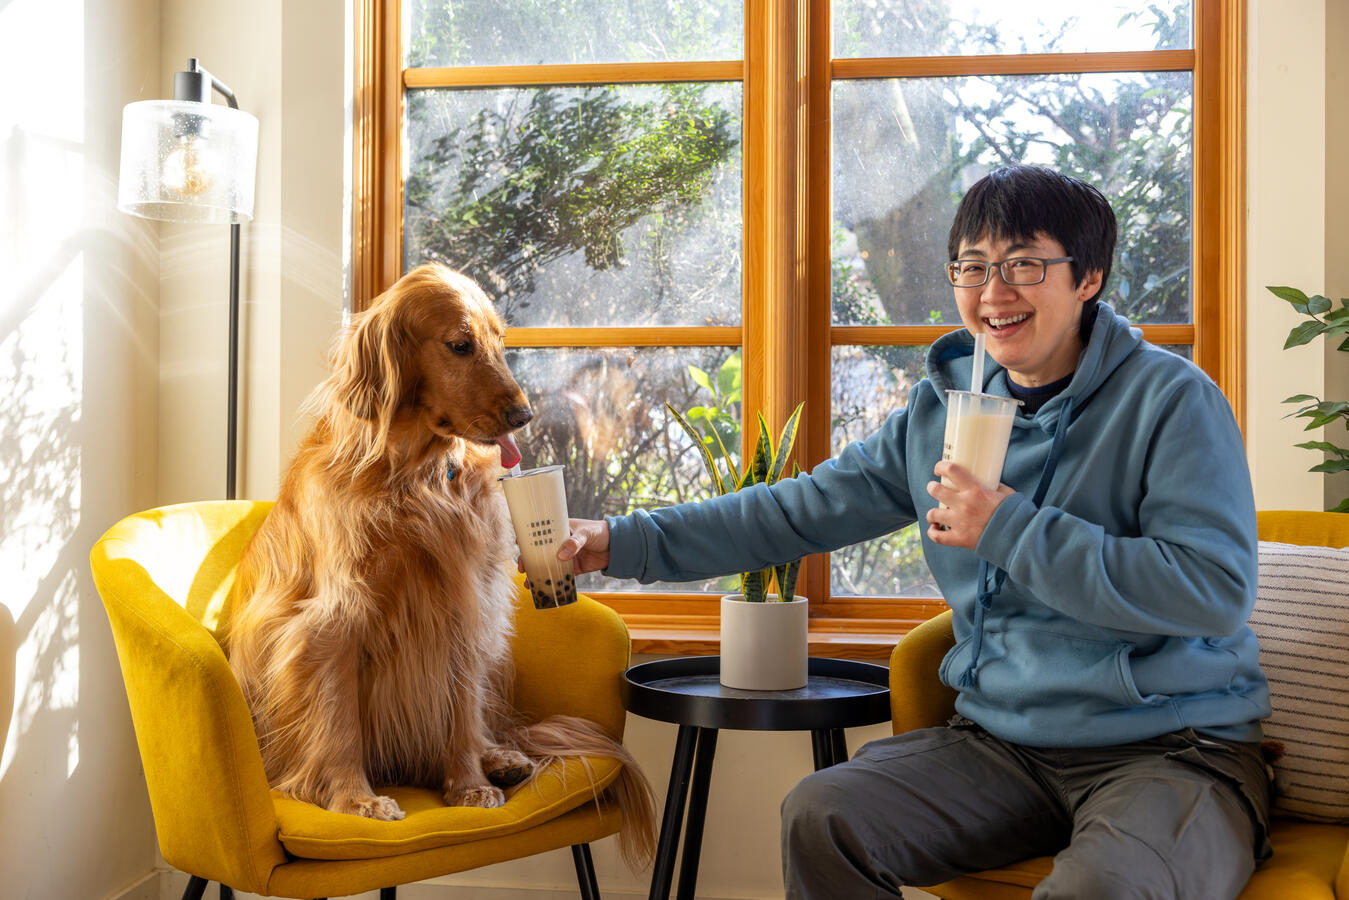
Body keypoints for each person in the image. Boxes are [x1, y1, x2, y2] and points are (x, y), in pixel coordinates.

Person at [554, 165, 1270, 900]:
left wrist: (1009, 527)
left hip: (1173, 750)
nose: (993, 292)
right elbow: (792, 512)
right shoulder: (943, 414)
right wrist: (619, 541)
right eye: (971, 266)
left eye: (1024, 264)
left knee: (1098, 890)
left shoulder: (1172, 401)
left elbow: (1211, 594)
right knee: (823, 814)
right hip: (1002, 747)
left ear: (1087, 277)